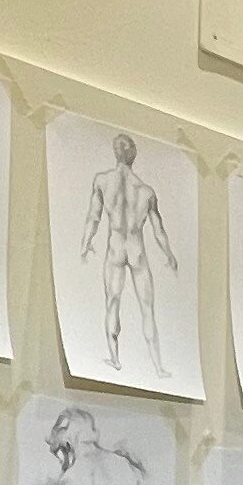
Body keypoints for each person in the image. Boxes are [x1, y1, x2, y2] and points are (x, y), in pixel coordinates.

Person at [81, 131, 178, 379]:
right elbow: (159, 230)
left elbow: (94, 217)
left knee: (112, 302)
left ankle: (115, 358)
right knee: (147, 309)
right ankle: (158, 367)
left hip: (115, 248)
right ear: (133, 155)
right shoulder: (145, 191)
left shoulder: (103, 181)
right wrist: (169, 255)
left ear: (116, 154)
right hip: (136, 250)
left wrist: (86, 244)